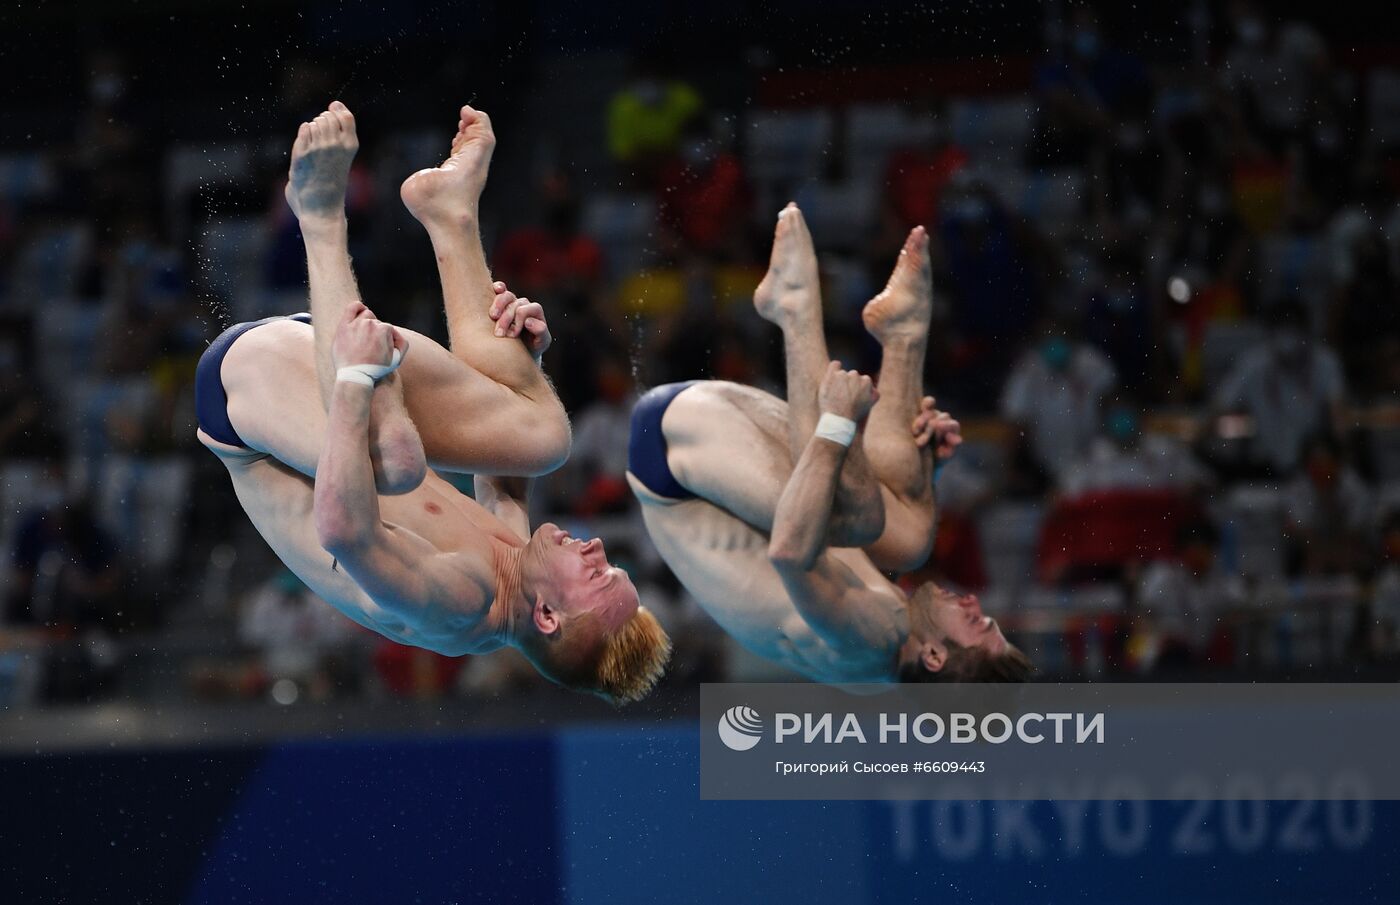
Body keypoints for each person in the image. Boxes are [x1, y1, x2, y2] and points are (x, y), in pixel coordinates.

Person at [195, 102, 670, 703]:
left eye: (599, 575)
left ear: (547, 616)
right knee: (540, 441)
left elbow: (343, 529)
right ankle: (451, 211)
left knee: (396, 466)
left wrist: (354, 378)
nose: (599, 548)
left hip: (245, 395)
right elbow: (502, 482)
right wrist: (525, 358)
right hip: (331, 360)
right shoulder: (513, 567)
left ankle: (316, 216)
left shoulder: (460, 607)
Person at [628, 206, 1031, 683]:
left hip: (675, 461)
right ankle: (902, 334)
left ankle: (795, 307)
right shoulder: (889, 642)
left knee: (857, 517)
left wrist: (839, 421)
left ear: (936, 657)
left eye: (977, 623)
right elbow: (846, 560)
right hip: (718, 448)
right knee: (910, 539)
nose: (973, 603)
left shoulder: (867, 642)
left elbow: (791, 552)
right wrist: (924, 473)